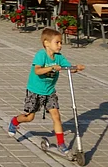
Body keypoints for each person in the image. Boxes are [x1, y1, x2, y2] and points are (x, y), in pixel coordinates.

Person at [8, 28, 85, 156]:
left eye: (61, 43)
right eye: (57, 42)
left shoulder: (59, 57)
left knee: (56, 117)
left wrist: (77, 68)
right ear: (46, 43)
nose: (60, 45)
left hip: (49, 92)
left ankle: (61, 144)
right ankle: (15, 121)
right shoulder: (41, 55)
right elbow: (37, 71)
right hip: (35, 91)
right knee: (29, 117)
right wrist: (51, 67)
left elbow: (68, 68)